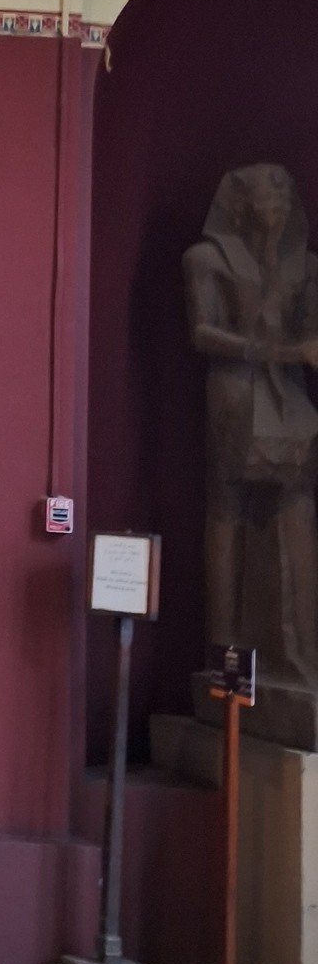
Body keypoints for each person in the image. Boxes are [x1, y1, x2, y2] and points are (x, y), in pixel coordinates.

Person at [185, 163, 318, 684]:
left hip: (289, 395)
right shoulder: (206, 259)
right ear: (239, 205)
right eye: (266, 197)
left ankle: (298, 651)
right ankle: (224, 657)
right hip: (236, 391)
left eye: (284, 197)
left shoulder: (304, 267)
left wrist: (301, 344)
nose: (277, 205)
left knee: (297, 503)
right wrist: (279, 351)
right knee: (228, 505)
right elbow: (203, 331)